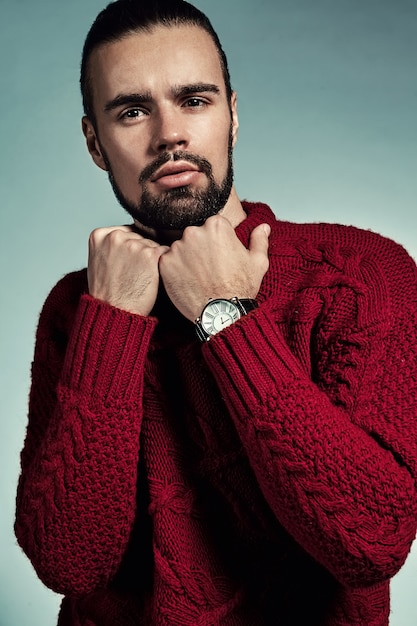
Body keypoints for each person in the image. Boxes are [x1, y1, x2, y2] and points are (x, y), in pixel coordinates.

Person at [14, 0, 417, 624]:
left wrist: (224, 318)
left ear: (232, 115)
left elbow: (372, 542)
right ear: (96, 142)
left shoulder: (361, 274)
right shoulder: (80, 307)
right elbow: (70, 564)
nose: (168, 133)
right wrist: (113, 322)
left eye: (194, 101)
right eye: (131, 111)